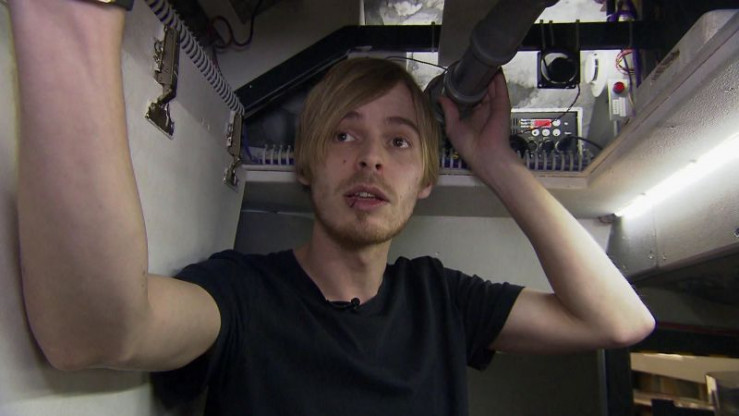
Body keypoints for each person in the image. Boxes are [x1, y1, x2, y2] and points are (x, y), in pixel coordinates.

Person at [10, 1, 655, 415]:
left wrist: (495, 162)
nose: (371, 159)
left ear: (425, 180)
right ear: (306, 164)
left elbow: (619, 321)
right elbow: (97, 331)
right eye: (344, 136)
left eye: (398, 142)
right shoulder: (241, 296)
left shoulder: (443, 302)